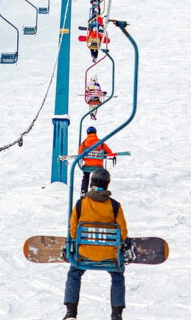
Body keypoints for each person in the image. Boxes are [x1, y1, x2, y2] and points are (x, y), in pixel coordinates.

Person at [63, 167, 126, 320]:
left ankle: (71, 312)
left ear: (91, 183)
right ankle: (117, 314)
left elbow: (73, 230)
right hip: (109, 256)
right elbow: (122, 233)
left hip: (85, 254)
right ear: (107, 184)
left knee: (74, 274)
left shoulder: (81, 204)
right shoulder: (114, 206)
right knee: (118, 276)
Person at [77, 128, 116, 195]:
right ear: (95, 132)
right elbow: (109, 152)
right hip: (98, 166)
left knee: (86, 176)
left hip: (87, 165)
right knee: (98, 177)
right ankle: (96, 191)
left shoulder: (84, 143)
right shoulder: (100, 142)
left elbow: (79, 153)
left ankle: (83, 191)